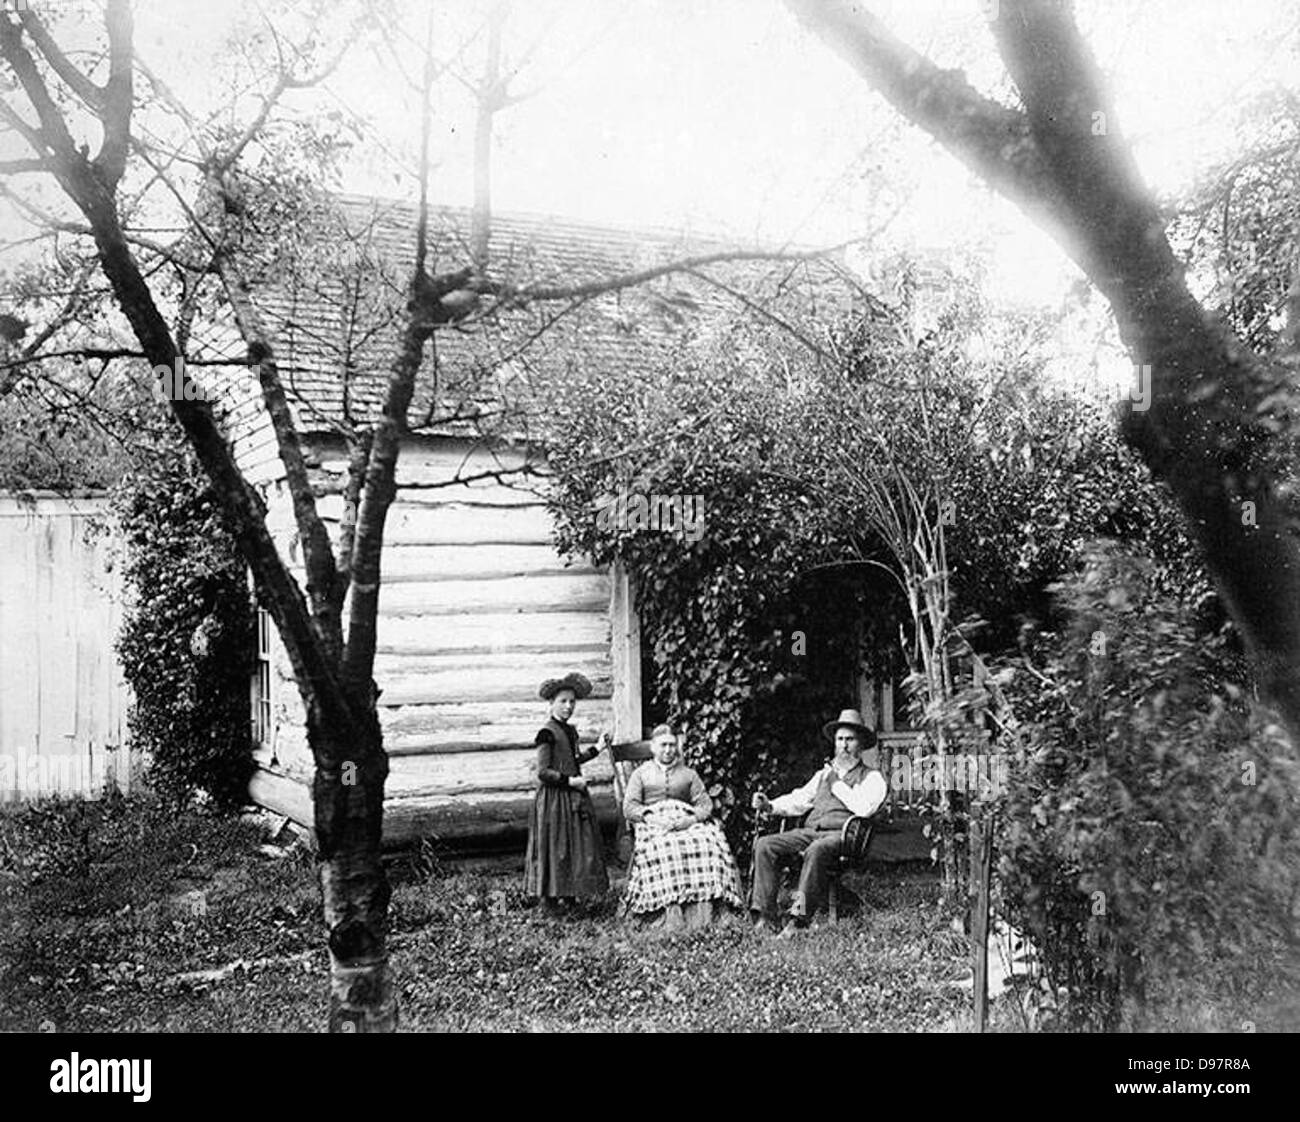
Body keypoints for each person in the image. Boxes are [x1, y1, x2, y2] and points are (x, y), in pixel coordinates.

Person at [749, 708, 887, 936]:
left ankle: (798, 920)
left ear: (860, 744)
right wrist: (770, 805)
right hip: (812, 831)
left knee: (817, 849)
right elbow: (800, 799)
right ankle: (766, 917)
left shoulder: (872, 777)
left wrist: (836, 783)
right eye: (840, 739)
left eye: (850, 740)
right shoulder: (823, 775)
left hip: (842, 837)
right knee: (765, 844)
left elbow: (864, 809)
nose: (844, 745)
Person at [621, 723, 745, 930]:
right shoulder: (641, 774)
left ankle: (706, 912)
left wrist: (690, 820)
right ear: (653, 747)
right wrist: (651, 818)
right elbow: (629, 807)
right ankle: (670, 914)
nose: (668, 750)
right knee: (665, 847)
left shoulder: (688, 774)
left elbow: (705, 805)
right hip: (653, 822)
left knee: (709, 844)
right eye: (663, 745)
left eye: (672, 745)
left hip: (685, 820)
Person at [523, 672, 609, 912]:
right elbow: (543, 772)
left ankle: (569, 895)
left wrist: (598, 748)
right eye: (563, 701)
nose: (568, 706)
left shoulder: (569, 732)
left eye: (572, 701)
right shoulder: (546, 733)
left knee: (572, 846)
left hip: (571, 796)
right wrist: (571, 782)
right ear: (551, 703)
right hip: (553, 799)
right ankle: (549, 901)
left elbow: (574, 759)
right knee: (553, 847)